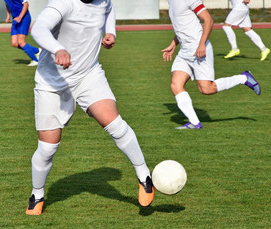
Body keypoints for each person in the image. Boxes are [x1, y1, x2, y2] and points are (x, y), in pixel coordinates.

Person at [25, 0, 154, 215]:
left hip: (88, 75)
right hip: (51, 83)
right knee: (47, 149)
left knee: (114, 123)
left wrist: (111, 32)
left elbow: (109, 8)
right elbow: (38, 28)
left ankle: (144, 176)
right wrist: (58, 48)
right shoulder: (64, 3)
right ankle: (37, 193)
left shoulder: (103, 1)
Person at [162, 0, 261, 130]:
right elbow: (183, 25)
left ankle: (243, 78)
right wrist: (174, 44)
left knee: (206, 89)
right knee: (176, 85)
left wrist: (202, 44)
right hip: (184, 51)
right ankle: (195, 123)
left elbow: (208, 20)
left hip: (198, 48)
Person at [4, 0, 41, 66]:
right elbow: (7, 4)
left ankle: (36, 60)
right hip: (15, 19)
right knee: (14, 43)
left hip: (24, 18)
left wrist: (20, 17)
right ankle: (37, 50)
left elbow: (26, 4)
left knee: (21, 42)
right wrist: (8, 16)